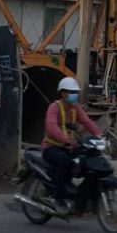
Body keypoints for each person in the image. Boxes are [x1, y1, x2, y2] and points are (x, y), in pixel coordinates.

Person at [42, 77, 102, 213]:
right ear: (63, 93)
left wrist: (99, 136)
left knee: (87, 160)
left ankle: (81, 197)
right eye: (72, 91)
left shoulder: (76, 108)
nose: (75, 94)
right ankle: (58, 198)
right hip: (52, 148)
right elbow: (51, 127)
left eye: (76, 91)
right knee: (64, 161)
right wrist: (66, 140)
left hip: (69, 147)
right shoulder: (54, 107)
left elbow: (87, 122)